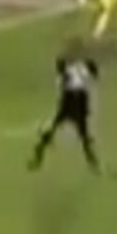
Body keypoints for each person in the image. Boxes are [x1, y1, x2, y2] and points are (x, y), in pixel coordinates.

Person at [29, 37, 100, 172]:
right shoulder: (80, 65)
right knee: (82, 134)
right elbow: (93, 75)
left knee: (59, 129)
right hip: (76, 99)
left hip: (72, 99)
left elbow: (64, 74)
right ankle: (93, 163)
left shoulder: (74, 66)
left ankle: (38, 157)